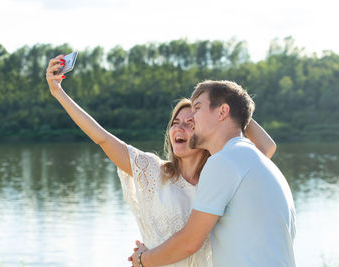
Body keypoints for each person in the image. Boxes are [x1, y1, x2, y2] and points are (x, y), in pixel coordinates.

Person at [46, 56, 277, 266]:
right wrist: (58, 93)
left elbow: (267, 147)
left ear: (203, 132)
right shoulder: (153, 170)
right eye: (175, 122)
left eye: (190, 122)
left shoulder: (221, 174)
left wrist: (231, 107)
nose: (180, 127)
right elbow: (102, 138)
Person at [131, 80, 296, 267]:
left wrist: (142, 259)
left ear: (222, 112)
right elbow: (267, 145)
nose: (191, 118)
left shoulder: (224, 161)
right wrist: (237, 108)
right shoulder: (253, 158)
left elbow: (189, 243)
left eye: (197, 108)